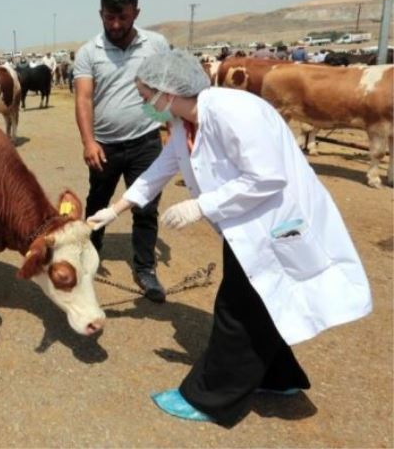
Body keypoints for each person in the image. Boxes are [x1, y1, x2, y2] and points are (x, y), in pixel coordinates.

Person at [87, 49, 372, 427]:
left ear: (166, 91)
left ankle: (210, 398)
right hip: (246, 225)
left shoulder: (233, 111)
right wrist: (118, 207)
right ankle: (278, 378)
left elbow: (267, 177)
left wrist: (201, 206)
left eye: (144, 96)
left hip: (273, 222)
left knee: (236, 311)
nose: (144, 105)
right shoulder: (183, 122)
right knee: (261, 304)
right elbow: (161, 168)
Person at [73, 0, 170, 302]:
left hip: (146, 141)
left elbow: (165, 88)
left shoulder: (156, 44)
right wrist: (89, 142)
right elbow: (84, 99)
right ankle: (89, 257)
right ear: (100, 14)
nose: (115, 25)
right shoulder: (89, 52)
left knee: (145, 207)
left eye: (123, 18)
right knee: (98, 203)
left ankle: (145, 269)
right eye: (108, 18)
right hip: (105, 146)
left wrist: (167, 129)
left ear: (136, 13)